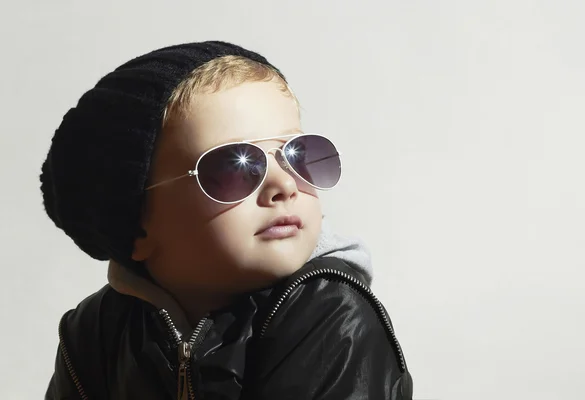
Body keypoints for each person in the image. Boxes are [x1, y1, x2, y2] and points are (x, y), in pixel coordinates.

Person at [41, 41, 413, 399]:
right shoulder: (95, 331)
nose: (284, 184)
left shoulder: (329, 312)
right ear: (135, 224)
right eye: (236, 165)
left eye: (299, 154)